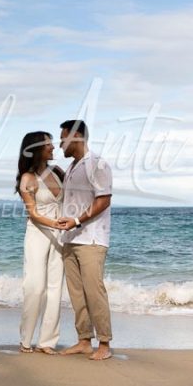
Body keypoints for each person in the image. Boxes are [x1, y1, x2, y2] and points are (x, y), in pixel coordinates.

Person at [56, 119, 114, 360]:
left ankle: (104, 344)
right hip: (71, 238)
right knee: (77, 294)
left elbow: (104, 200)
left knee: (94, 292)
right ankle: (84, 340)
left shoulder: (97, 164)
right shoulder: (71, 168)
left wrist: (76, 221)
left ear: (77, 137)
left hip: (91, 239)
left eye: (63, 139)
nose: (60, 144)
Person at [15, 131, 65, 355]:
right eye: (48, 144)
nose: (53, 147)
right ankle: (25, 340)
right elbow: (33, 214)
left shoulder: (58, 172)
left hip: (60, 236)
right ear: (36, 149)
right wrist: (56, 224)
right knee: (35, 288)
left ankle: (47, 342)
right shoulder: (28, 178)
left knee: (55, 289)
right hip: (38, 234)